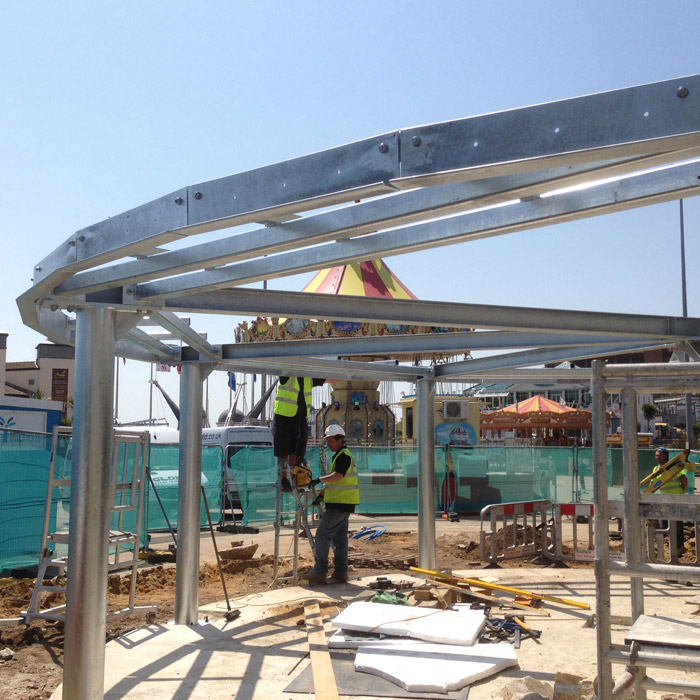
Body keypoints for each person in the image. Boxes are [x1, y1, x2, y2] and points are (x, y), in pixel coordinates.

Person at [303, 424, 359, 585]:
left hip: (339, 503)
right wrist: (322, 495)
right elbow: (337, 482)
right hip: (344, 502)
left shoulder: (343, 456)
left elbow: (338, 476)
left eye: (331, 441)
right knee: (340, 539)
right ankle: (341, 573)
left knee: (322, 535)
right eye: (327, 441)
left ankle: (320, 572)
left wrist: (319, 480)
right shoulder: (342, 455)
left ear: (340, 440)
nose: (328, 444)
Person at [272, 376, 325, 467]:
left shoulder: (308, 378)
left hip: (301, 419)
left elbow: (327, 378)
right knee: (282, 452)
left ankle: (295, 476)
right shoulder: (287, 375)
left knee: (297, 452)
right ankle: (283, 478)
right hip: (284, 417)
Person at [651, 446, 689, 553]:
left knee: (677, 522)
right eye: (656, 455)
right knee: (665, 523)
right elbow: (652, 484)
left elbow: (684, 480)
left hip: (676, 499)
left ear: (665, 456)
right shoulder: (656, 470)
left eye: (659, 455)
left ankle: (679, 546)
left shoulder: (674, 467)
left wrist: (679, 492)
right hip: (664, 500)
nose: (657, 457)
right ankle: (670, 545)